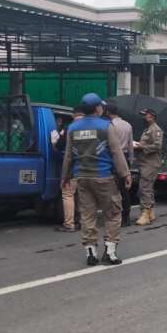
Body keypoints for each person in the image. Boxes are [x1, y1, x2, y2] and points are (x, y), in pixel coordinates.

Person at [61, 93, 131, 266]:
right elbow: (116, 152)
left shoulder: (73, 128)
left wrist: (65, 177)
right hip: (103, 177)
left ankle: (90, 253)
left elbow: (68, 155)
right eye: (101, 106)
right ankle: (110, 252)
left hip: (82, 178)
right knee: (113, 213)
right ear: (97, 108)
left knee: (87, 215)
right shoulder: (106, 126)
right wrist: (125, 174)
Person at [54, 107, 83, 233]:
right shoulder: (92, 129)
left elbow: (60, 145)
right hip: (88, 168)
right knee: (82, 196)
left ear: (73, 115)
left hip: (73, 168)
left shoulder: (70, 128)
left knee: (67, 194)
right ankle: (82, 222)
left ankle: (69, 223)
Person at [133, 107, 163, 226]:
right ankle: (150, 212)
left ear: (151, 116)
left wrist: (141, 147)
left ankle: (145, 213)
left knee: (144, 188)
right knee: (148, 188)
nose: (144, 117)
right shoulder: (148, 129)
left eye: (145, 115)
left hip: (150, 164)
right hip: (145, 163)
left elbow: (157, 146)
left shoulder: (155, 130)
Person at [106, 103, 134, 227]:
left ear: (108, 113)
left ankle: (115, 216)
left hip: (113, 158)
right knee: (124, 190)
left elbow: (109, 145)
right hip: (125, 158)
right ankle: (126, 217)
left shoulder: (110, 126)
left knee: (113, 189)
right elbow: (130, 145)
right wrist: (130, 161)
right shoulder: (127, 125)